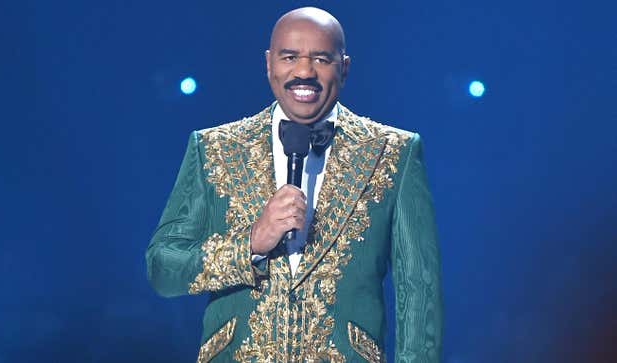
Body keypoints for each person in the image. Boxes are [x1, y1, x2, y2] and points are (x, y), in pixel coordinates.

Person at [146, 7, 442, 363]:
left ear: (344, 67)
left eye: (321, 58)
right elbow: (163, 270)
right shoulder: (214, 148)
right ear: (269, 63)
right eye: (290, 57)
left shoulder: (393, 152)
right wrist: (252, 242)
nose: (304, 72)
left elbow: (418, 291)